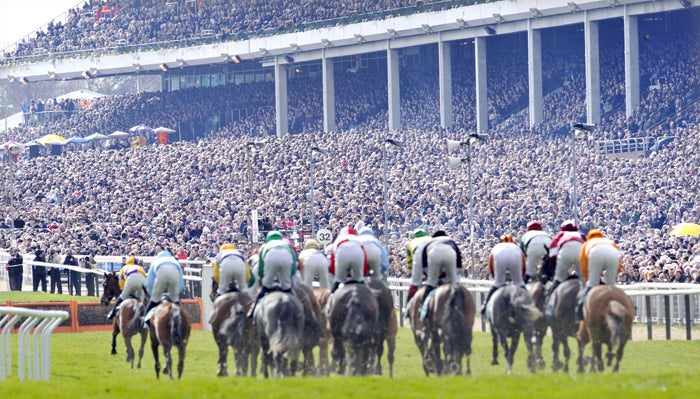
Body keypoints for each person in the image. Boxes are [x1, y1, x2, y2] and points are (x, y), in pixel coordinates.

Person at [407, 230, 462, 312]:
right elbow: (459, 262)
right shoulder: (450, 240)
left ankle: (422, 308)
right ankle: (461, 306)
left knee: (431, 282)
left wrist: (429, 276)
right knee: (454, 284)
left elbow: (423, 264)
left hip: (431, 253)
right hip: (451, 252)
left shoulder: (415, 243)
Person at [247, 231, 298, 318]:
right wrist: (291, 275)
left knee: (266, 286)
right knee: (287, 287)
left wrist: (263, 278)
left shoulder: (264, 246)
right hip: (286, 257)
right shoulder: (287, 245)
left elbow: (261, 266)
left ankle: (253, 309)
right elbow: (293, 262)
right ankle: (299, 310)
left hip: (270, 257)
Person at [576, 229, 622, 320]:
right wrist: (616, 272)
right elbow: (618, 261)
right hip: (613, 253)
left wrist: (588, 279)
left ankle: (579, 311)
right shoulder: (609, 241)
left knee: (591, 284)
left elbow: (584, 266)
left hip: (595, 253)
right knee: (611, 286)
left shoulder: (587, 243)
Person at [481, 233, 527, 315]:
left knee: (497, 283)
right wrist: (521, 278)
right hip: (515, 257)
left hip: (500, 257)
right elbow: (523, 265)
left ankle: (485, 306)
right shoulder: (516, 248)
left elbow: (491, 265)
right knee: (519, 283)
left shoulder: (496, 247)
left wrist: (496, 278)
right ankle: (531, 305)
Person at [545, 220, 586, 298]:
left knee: (559, 278)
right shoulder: (581, 235)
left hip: (565, 253)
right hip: (580, 253)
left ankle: (549, 300)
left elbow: (552, 254)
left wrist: (556, 266)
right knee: (584, 279)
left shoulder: (560, 235)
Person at [144, 251, 185, 322]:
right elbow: (181, 284)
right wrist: (171, 294)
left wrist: (153, 295)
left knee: (154, 299)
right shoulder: (175, 261)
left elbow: (149, 283)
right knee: (175, 300)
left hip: (161, 271)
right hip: (174, 272)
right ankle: (184, 320)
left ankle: (144, 319)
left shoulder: (155, 262)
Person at [329, 226, 368, 293]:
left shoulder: (339, 239)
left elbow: (333, 259)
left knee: (339, 280)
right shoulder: (357, 238)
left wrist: (334, 272)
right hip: (357, 252)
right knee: (359, 279)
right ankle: (369, 297)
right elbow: (364, 256)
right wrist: (363, 273)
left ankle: (331, 298)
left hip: (342, 253)